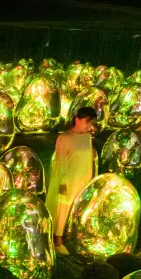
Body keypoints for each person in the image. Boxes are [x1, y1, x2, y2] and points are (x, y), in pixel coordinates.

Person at [46, 105, 98, 253]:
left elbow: (89, 160)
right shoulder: (64, 138)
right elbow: (61, 162)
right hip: (68, 180)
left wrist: (91, 180)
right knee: (63, 208)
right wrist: (63, 182)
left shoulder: (87, 138)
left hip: (84, 180)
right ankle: (58, 239)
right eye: (87, 121)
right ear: (77, 119)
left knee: (77, 209)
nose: (89, 125)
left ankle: (70, 236)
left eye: (91, 122)